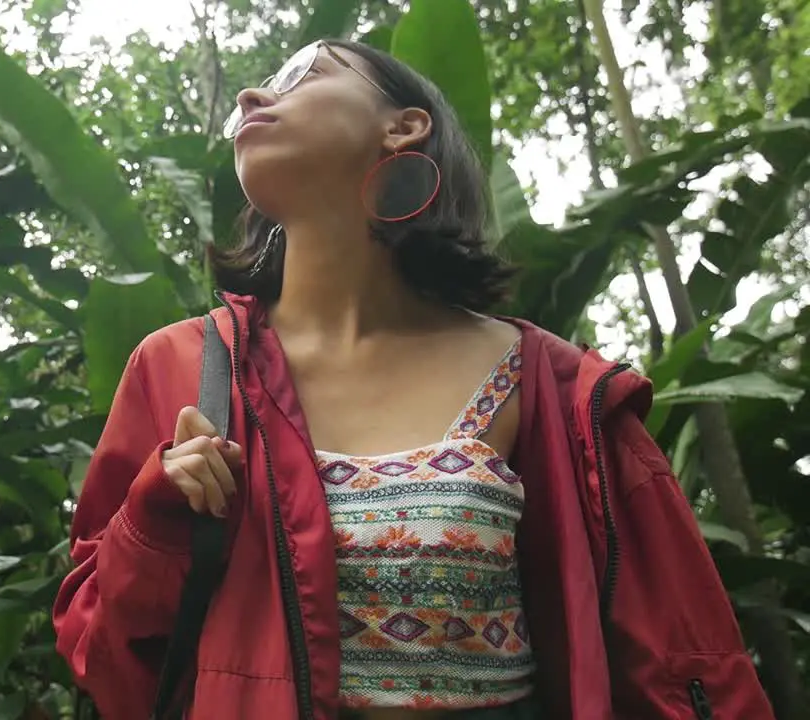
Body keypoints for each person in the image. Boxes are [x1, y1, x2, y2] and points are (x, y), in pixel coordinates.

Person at [52, 38, 773, 720]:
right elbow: (97, 648)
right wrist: (154, 518)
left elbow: (689, 662)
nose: (251, 95)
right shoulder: (178, 365)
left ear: (404, 127)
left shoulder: (551, 383)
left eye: (304, 72)